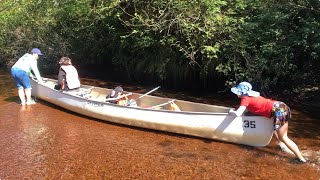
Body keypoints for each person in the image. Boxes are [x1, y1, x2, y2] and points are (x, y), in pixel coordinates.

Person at [229, 81, 306, 163]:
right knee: (276, 129)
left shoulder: (245, 99)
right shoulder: (251, 96)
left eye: (237, 92)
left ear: (241, 92)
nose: (236, 94)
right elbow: (254, 106)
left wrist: (231, 112)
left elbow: (238, 113)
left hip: (279, 111)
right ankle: (281, 145)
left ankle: (301, 159)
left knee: (283, 137)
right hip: (280, 106)